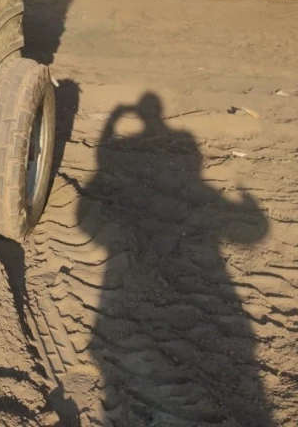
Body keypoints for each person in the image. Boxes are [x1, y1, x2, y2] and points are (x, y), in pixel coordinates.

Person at [77, 94, 273, 426]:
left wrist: (115, 118)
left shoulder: (121, 151)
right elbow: (252, 233)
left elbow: (86, 214)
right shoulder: (181, 152)